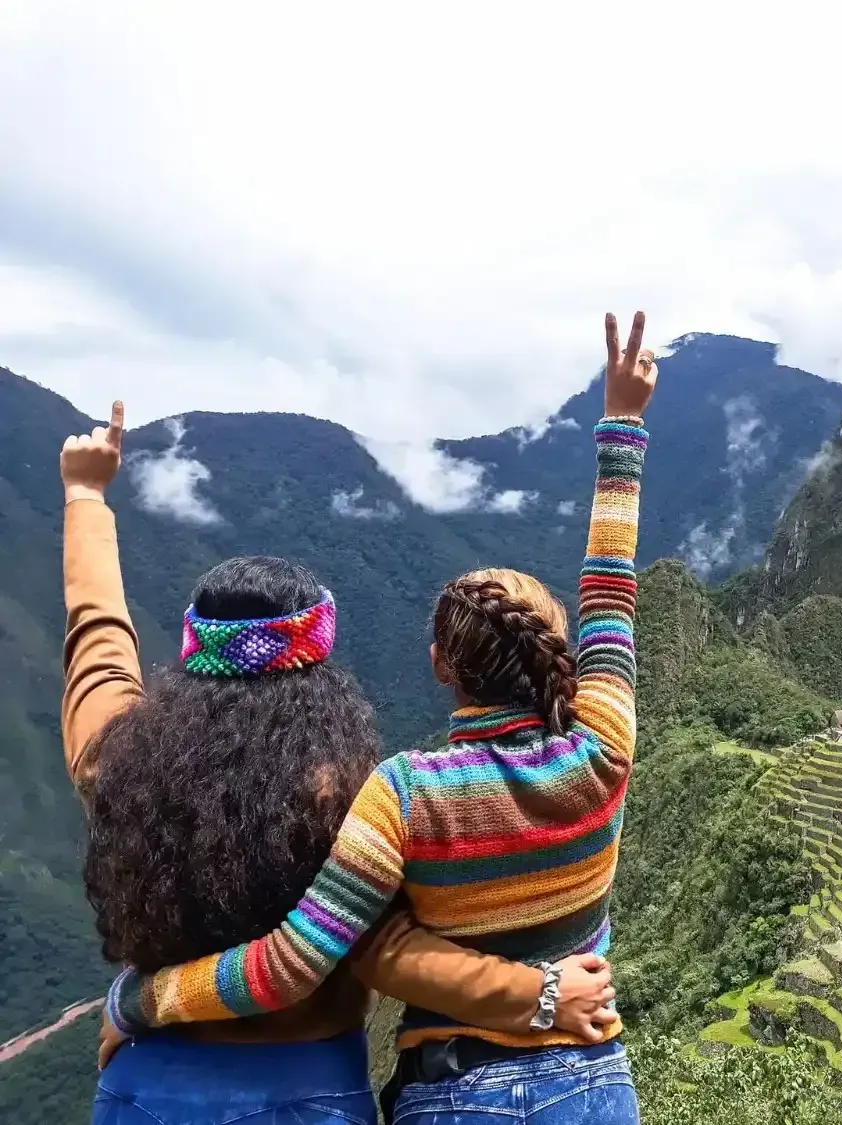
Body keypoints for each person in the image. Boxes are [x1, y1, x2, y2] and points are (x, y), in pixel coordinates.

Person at [101, 310, 657, 1125]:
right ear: (564, 663)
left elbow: (291, 965)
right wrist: (623, 424)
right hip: (595, 1084)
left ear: (438, 665)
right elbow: (612, 582)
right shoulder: (603, 748)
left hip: (457, 1093)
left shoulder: (402, 796)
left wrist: (140, 998)